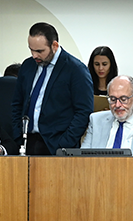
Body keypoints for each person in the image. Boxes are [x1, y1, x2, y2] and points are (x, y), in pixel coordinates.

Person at [11, 22, 93, 155]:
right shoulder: (27, 66)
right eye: (31, 49)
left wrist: (64, 144)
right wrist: (17, 134)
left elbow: (84, 111)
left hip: (57, 145)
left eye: (39, 51)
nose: (34, 55)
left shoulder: (75, 69)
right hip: (27, 142)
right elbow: (17, 103)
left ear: (54, 46)